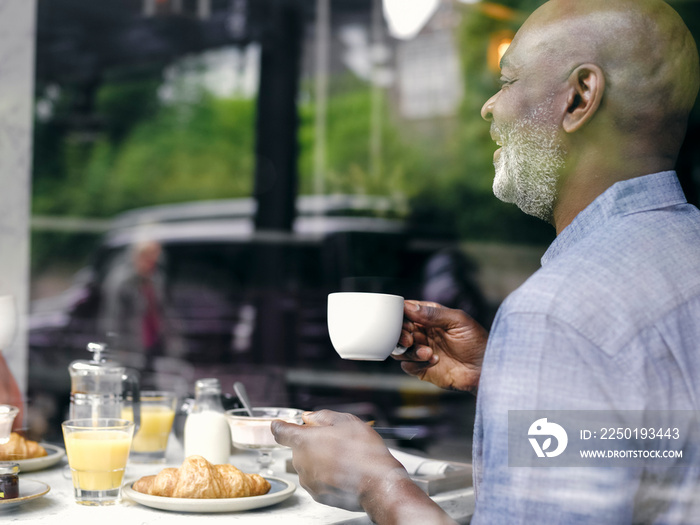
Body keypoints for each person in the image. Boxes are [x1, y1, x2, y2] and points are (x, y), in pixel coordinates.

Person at [271, 0, 700, 523]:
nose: (489, 107)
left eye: (508, 79)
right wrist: (510, 377)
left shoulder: (557, 313)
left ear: (580, 97)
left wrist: (377, 486)